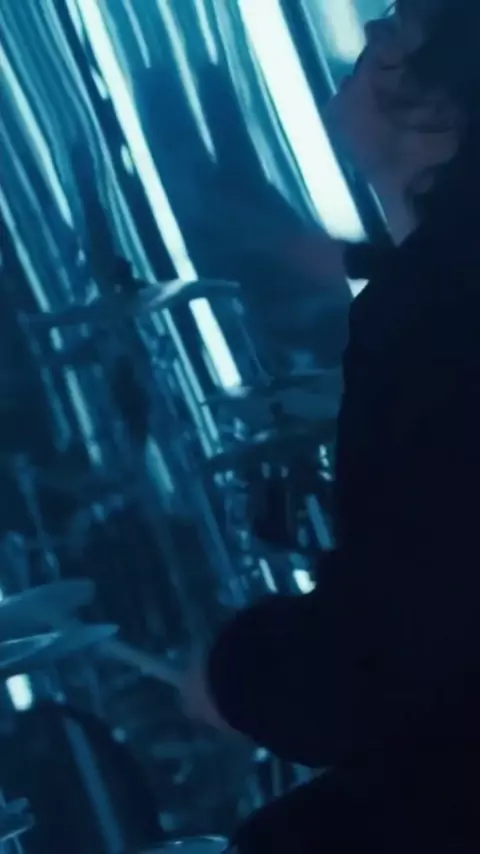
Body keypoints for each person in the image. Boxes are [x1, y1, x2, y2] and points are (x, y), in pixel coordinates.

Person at [177, 2, 480, 851]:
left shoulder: (431, 318)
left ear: (448, 99)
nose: (376, 29)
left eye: (404, 25)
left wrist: (232, 680)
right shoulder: (434, 291)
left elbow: (395, 650)